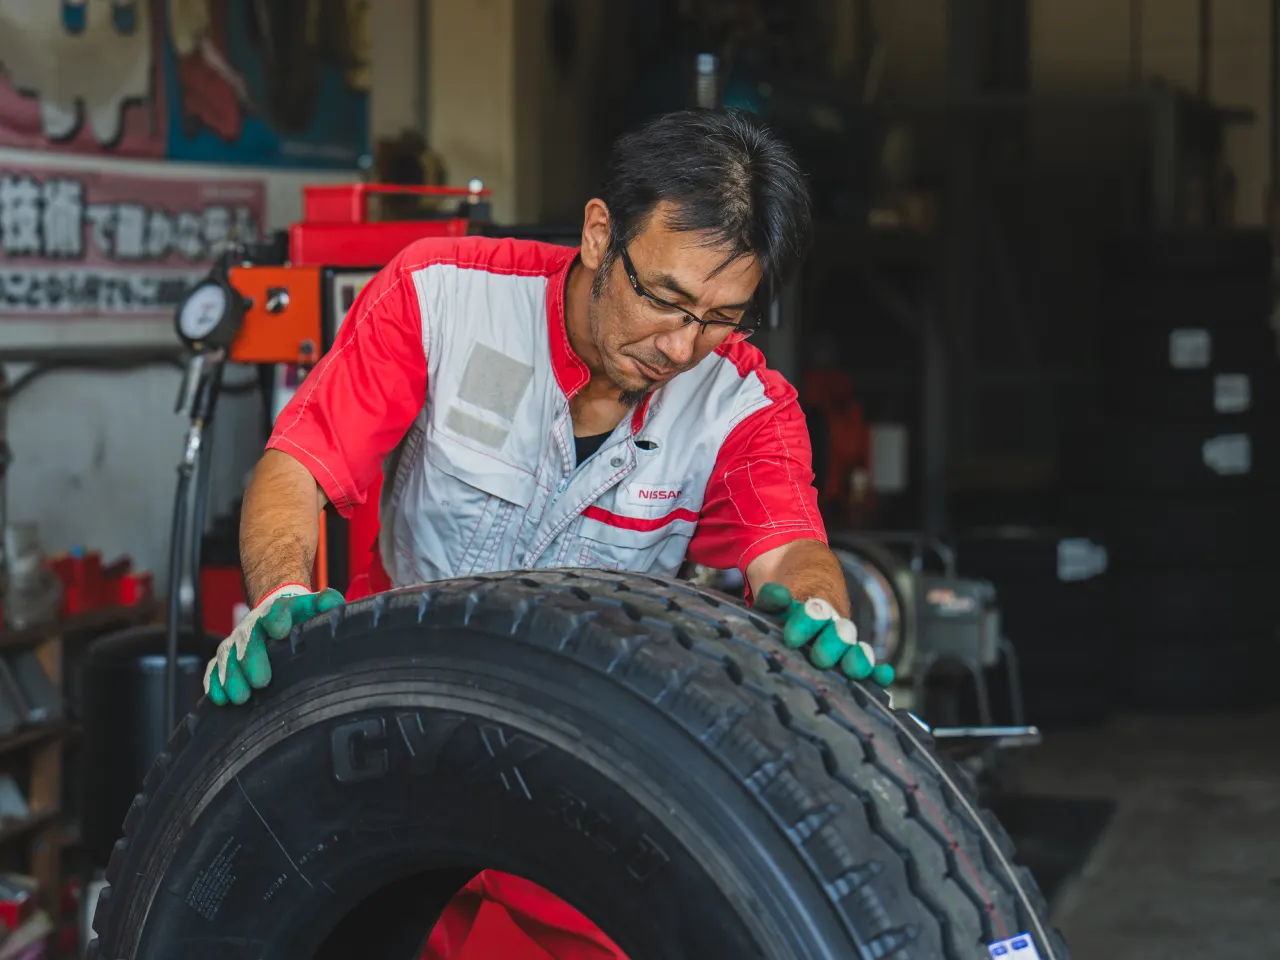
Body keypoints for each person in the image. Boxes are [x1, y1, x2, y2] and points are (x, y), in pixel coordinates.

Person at [203, 108, 893, 959]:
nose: (682, 346)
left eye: (721, 318)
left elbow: (789, 548)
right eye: (666, 299)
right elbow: (299, 463)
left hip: (589, 748)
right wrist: (282, 592)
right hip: (402, 717)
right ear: (601, 234)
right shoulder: (443, 295)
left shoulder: (744, 406)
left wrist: (821, 610)